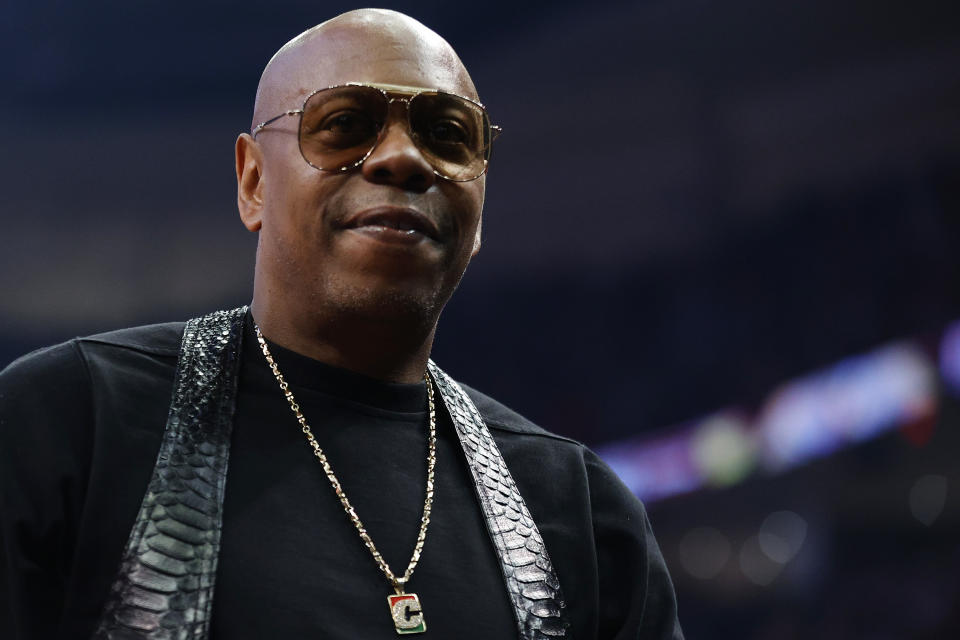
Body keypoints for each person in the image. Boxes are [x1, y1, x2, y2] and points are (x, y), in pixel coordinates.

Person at [0, 9, 683, 640]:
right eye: (345, 123)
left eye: (447, 135)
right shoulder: (70, 423)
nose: (403, 159)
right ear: (253, 183)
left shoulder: (583, 515)